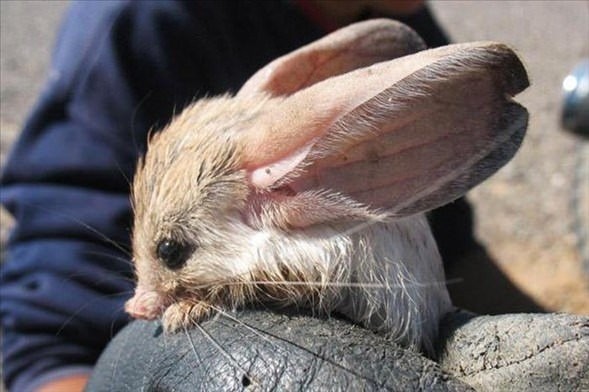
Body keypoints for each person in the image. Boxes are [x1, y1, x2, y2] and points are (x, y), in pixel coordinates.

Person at [1, 1, 538, 391]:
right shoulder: (146, 20)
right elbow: (44, 322)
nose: (139, 301)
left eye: (172, 253)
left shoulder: (399, 17)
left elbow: (455, 239)